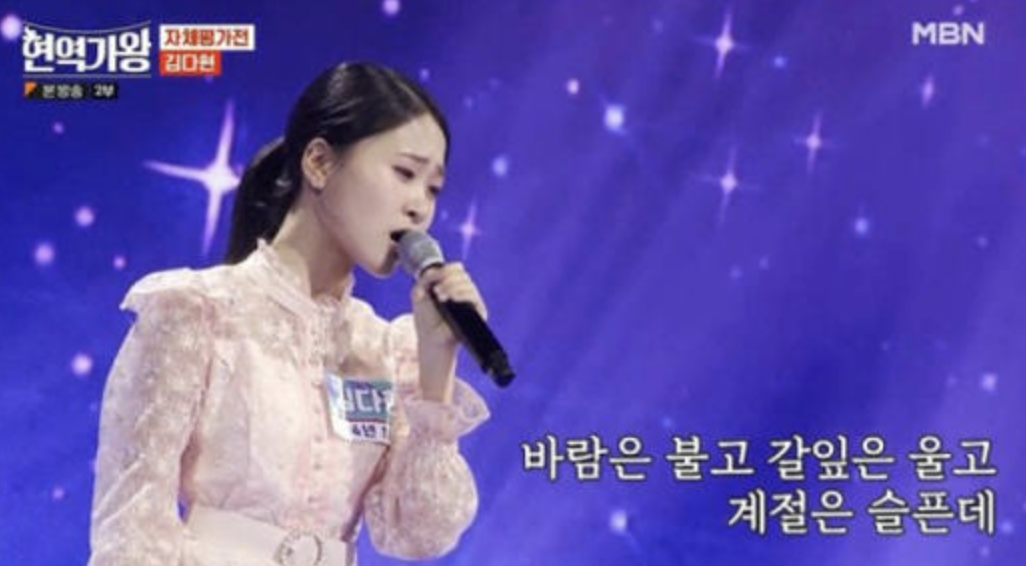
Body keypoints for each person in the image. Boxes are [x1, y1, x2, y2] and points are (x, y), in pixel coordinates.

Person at [88, 61, 492, 566]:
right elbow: (131, 529)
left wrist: (436, 371)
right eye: (405, 173)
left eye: (433, 189)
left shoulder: (385, 349)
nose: (419, 207)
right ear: (319, 163)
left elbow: (418, 534)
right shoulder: (198, 310)